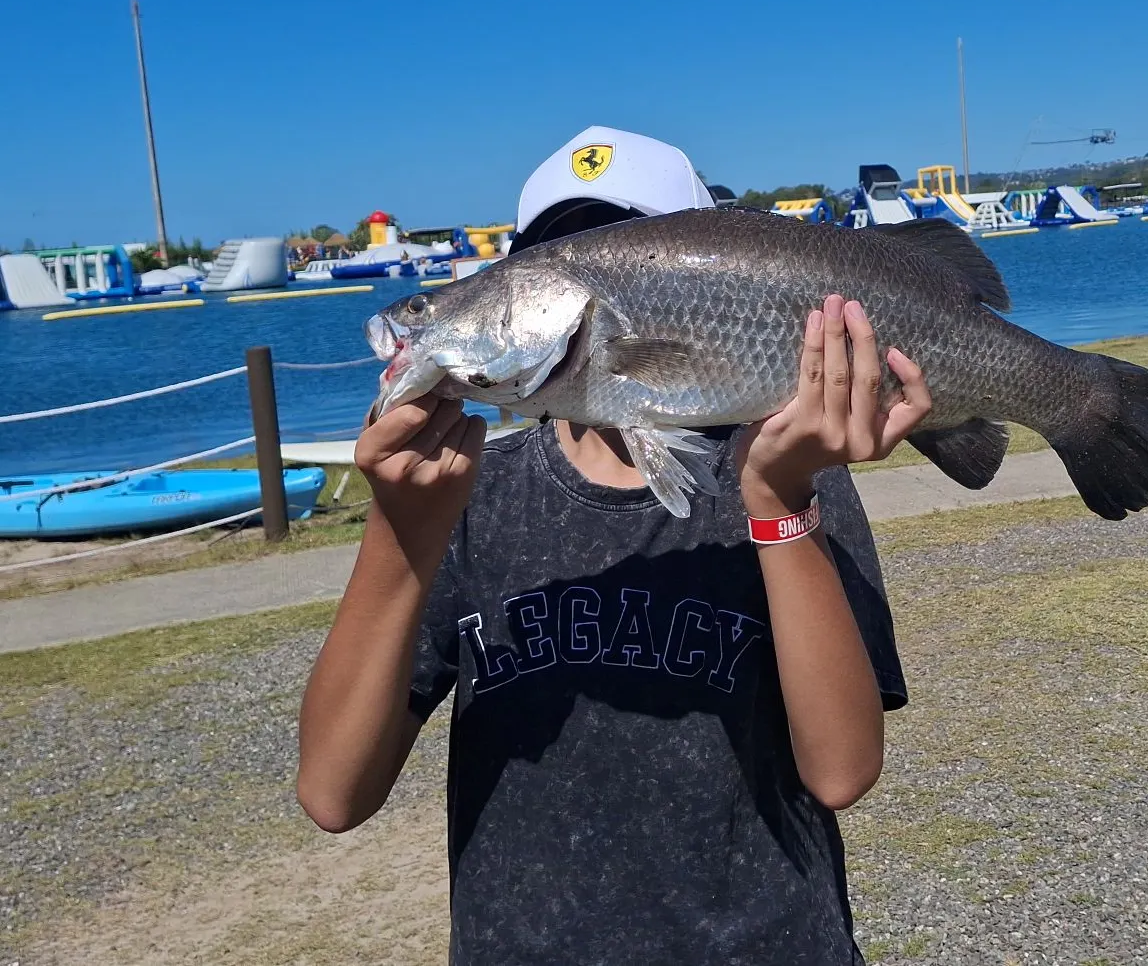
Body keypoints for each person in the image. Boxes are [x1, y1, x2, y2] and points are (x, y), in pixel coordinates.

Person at [297, 126, 932, 965]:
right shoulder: (470, 498)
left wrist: (780, 504)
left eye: (626, 253)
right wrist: (399, 533)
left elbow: (842, 771)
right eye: (555, 262)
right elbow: (334, 792)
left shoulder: (788, 473)